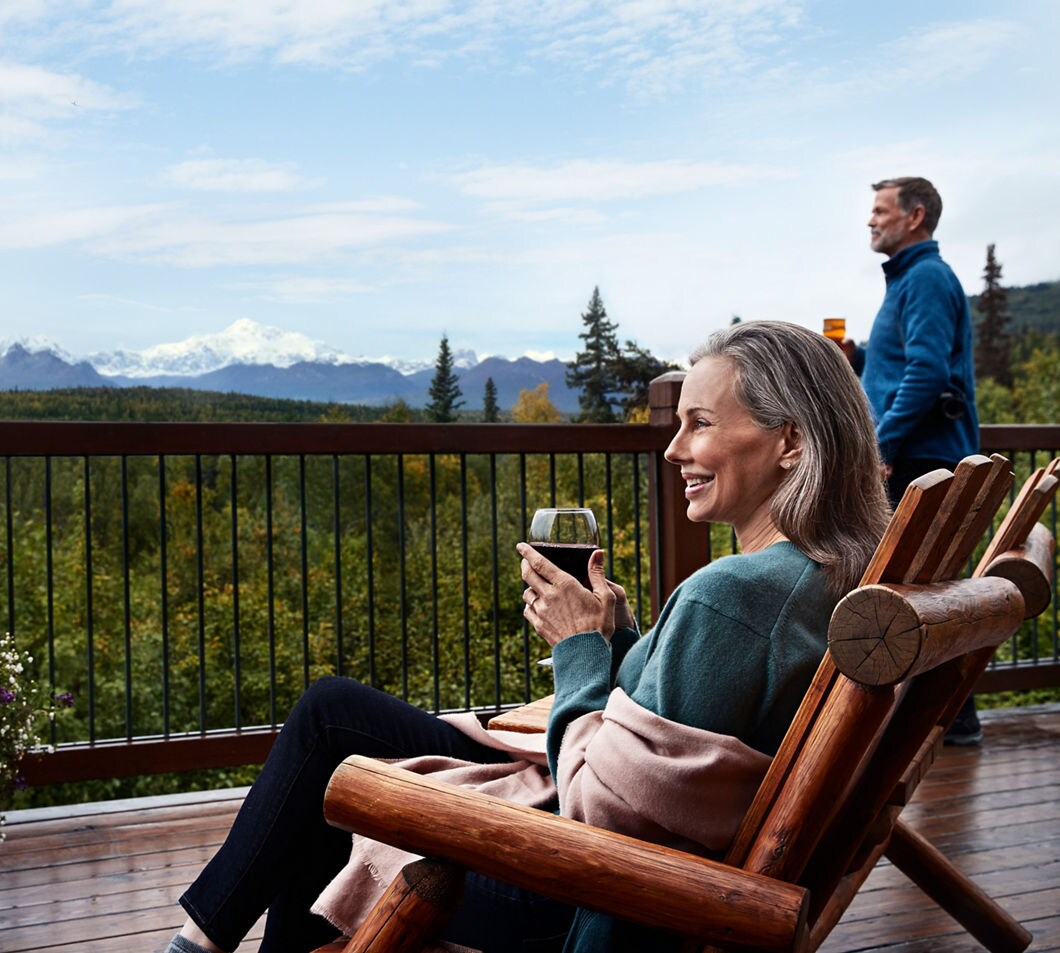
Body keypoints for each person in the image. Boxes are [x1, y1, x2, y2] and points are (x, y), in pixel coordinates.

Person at [163, 321, 889, 953]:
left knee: (335, 787)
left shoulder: (731, 595)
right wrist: (620, 635)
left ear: (790, 440)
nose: (672, 450)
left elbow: (598, 806)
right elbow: (690, 731)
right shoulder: (823, 579)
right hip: (655, 870)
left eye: (699, 422)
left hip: (586, 896)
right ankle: (198, 941)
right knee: (332, 713)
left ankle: (198, 943)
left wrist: (578, 648)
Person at [854, 176, 982, 744]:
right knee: (923, 591)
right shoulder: (911, 278)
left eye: (881, 210)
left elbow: (928, 374)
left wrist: (883, 445)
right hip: (920, 455)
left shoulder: (926, 277)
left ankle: (947, 723)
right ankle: (951, 722)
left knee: (917, 592)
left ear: (916, 216)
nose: (871, 220)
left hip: (922, 461)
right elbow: (909, 365)